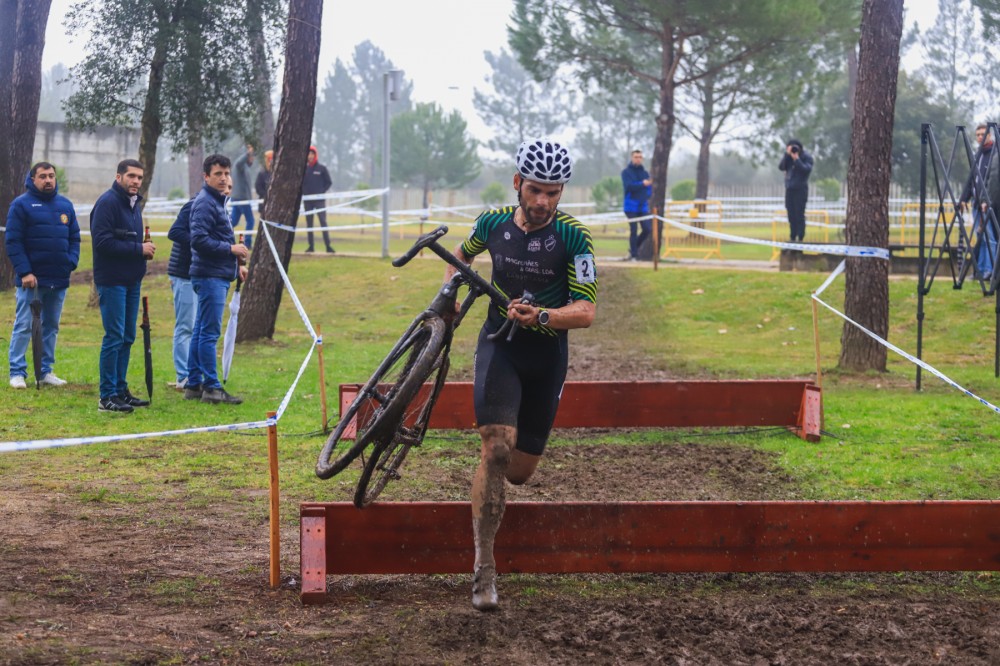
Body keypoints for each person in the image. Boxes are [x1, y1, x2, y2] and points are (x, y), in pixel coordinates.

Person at [445, 138, 598, 611]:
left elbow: (586, 310)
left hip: (546, 357)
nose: (543, 202)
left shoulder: (574, 238)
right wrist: (450, 294)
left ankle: (495, 483)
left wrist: (545, 317)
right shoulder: (490, 225)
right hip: (499, 348)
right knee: (496, 449)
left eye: (553, 193)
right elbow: (461, 256)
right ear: (518, 183)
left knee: (520, 472)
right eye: (535, 190)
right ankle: (483, 569)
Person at [5, 162, 81, 389]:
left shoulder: (65, 205)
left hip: (58, 278)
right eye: (43, 176)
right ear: (33, 179)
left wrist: (71, 262)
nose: (48, 180)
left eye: (51, 176)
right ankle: (17, 372)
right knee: (25, 325)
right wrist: (25, 271)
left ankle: (45, 371)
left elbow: (75, 238)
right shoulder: (21, 205)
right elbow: (13, 241)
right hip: (32, 281)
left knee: (51, 326)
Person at [91, 158, 155, 413]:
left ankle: (120, 390)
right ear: (119, 177)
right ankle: (106, 396)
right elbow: (102, 243)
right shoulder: (107, 203)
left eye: (139, 177)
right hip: (112, 280)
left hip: (131, 281)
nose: (136, 181)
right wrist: (138, 249)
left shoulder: (134, 205)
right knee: (114, 336)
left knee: (128, 336)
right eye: (131, 176)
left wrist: (141, 254)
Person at [184, 154, 249, 405]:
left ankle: (193, 383)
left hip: (217, 273)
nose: (223, 178)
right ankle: (211, 387)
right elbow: (198, 240)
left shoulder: (218, 201)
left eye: (226, 173)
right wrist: (231, 250)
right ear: (206, 177)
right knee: (209, 333)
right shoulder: (205, 203)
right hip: (209, 275)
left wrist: (235, 267)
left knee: (201, 330)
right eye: (218, 174)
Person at [960, 123, 998, 281]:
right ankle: (980, 271)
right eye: (978, 135)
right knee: (980, 238)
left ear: (990, 135)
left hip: (987, 204)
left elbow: (991, 180)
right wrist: (964, 198)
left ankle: (991, 271)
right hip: (976, 204)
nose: (980, 137)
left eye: (983, 134)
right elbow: (972, 179)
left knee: (989, 238)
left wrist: (986, 200)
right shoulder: (978, 154)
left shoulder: (994, 153)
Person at [167, 198, 196, 390]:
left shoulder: (218, 206)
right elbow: (174, 232)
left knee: (194, 327)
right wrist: (201, 240)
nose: (226, 185)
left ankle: (193, 374)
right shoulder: (193, 204)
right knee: (185, 326)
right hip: (183, 275)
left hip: (198, 274)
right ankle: (183, 376)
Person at [778, 139, 814, 242]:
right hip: (789, 189)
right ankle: (792, 236)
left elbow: (806, 170)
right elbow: (781, 167)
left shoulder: (806, 157)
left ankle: (800, 237)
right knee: (791, 214)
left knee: (799, 214)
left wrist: (797, 159)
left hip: (800, 190)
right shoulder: (788, 157)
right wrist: (787, 155)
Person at [621, 149, 653, 260]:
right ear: (632, 158)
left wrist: (647, 194)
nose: (638, 159)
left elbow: (649, 188)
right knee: (633, 229)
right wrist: (642, 184)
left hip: (642, 206)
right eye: (636, 157)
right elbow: (629, 186)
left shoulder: (645, 173)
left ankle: (633, 249)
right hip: (630, 206)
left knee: (647, 229)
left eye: (640, 157)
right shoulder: (626, 172)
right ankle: (634, 255)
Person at [302, 145, 334, 253]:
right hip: (307, 201)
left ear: (315, 155)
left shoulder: (322, 169)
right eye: (308, 154)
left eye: (312, 154)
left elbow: (329, 182)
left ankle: (328, 246)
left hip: (319, 201)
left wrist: (321, 191)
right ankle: (311, 246)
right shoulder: (304, 169)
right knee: (309, 224)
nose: (310, 156)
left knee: (323, 222)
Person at [255, 149, 273, 215]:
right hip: (264, 202)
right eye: (269, 160)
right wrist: (266, 195)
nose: (270, 162)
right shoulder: (262, 173)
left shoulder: (277, 173)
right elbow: (258, 187)